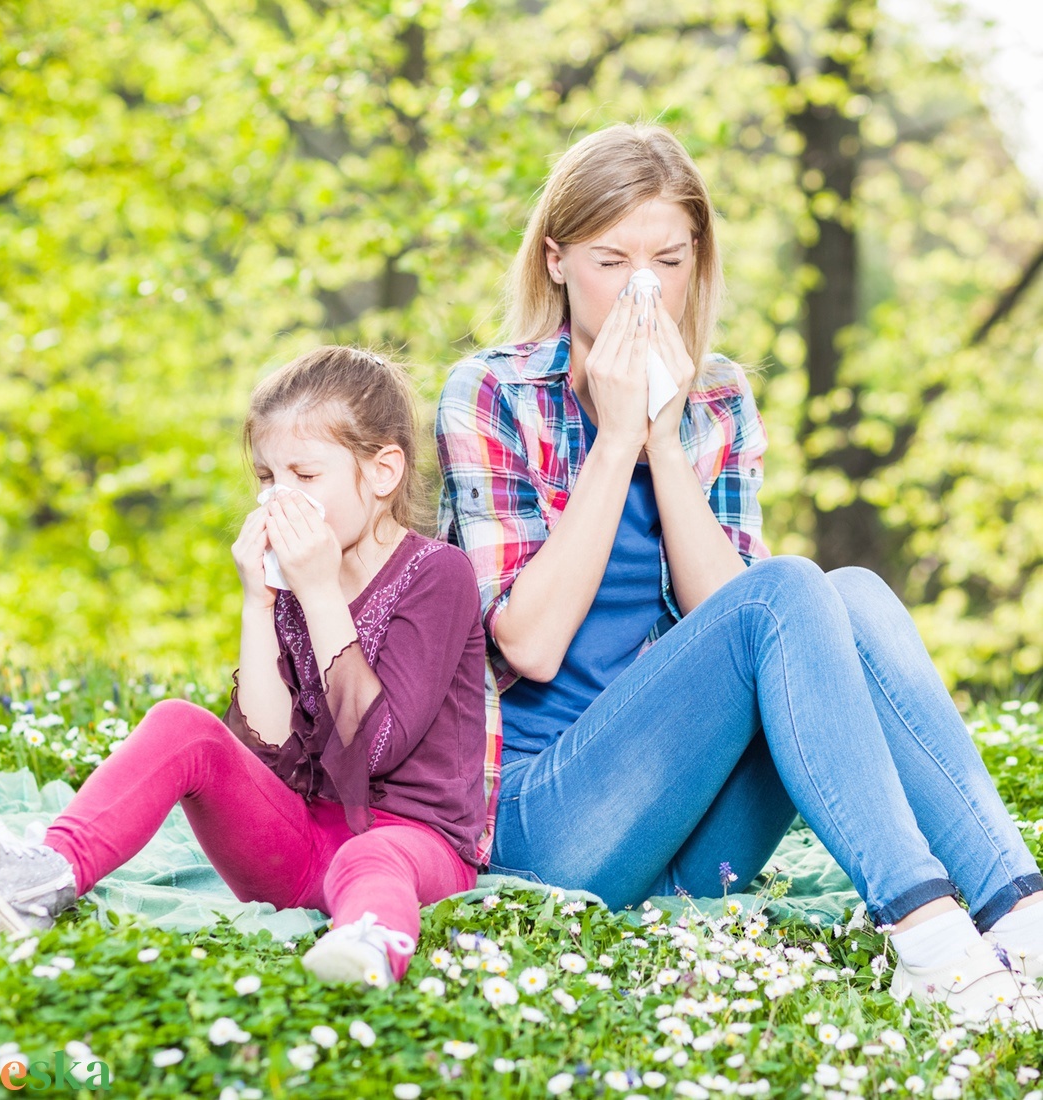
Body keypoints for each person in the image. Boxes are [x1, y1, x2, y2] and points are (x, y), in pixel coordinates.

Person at [435, 123, 1043, 1022]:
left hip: (687, 832)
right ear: (556, 261)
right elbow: (527, 642)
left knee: (851, 598)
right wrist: (615, 438)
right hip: (545, 825)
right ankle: (925, 930)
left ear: (697, 262)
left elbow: (752, 628)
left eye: (668, 260)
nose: (643, 288)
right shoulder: (493, 393)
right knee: (798, 587)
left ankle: (1020, 918)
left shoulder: (717, 398)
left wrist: (667, 441)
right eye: (611, 261)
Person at [0, 346, 496, 987]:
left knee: (373, 856)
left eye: (305, 476)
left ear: (382, 472)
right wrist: (258, 602)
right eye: (266, 477)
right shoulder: (292, 585)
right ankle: (43, 876)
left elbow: (375, 749)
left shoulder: (437, 574)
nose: (278, 498)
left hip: (414, 846)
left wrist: (318, 591)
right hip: (299, 847)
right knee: (182, 723)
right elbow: (266, 756)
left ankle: (367, 945)